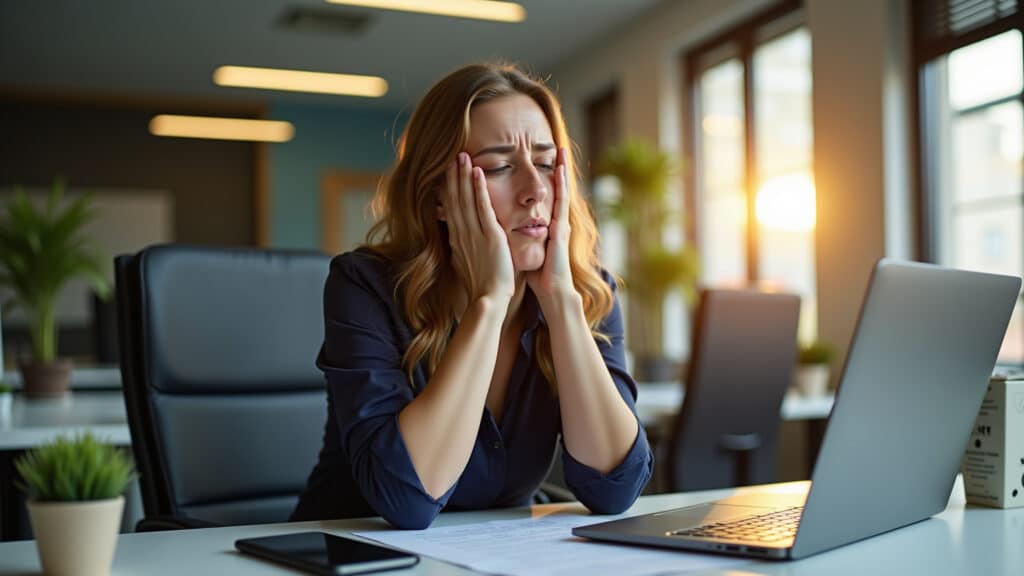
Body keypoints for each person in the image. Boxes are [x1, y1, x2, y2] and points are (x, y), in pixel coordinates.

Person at [291, 62, 653, 529]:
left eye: (546, 164)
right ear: (440, 196)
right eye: (500, 167)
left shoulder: (586, 290)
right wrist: (489, 300)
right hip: (347, 554)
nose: (535, 190)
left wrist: (562, 303)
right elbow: (407, 499)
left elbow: (615, 488)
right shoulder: (364, 285)